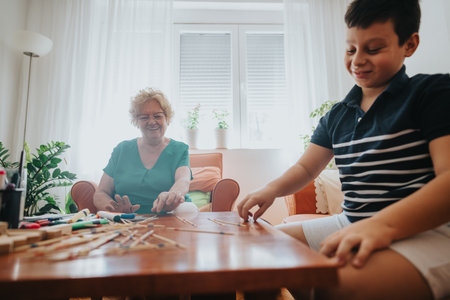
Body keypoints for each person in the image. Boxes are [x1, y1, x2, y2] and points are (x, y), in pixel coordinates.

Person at [237, 0, 450, 299]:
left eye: (373, 49)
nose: (358, 60)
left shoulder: (431, 93)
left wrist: (382, 226)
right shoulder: (337, 115)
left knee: (335, 283)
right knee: (257, 253)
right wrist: (271, 189)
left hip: (427, 229)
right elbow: (306, 168)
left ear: (410, 44)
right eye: (351, 49)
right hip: (352, 220)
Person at [93, 88, 191, 214]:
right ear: (136, 121)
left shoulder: (179, 149)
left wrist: (171, 196)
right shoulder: (122, 149)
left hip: (170, 216)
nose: (151, 121)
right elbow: (101, 193)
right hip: (127, 220)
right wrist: (114, 209)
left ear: (167, 119)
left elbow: (183, 180)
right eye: (144, 117)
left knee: (187, 210)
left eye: (157, 116)